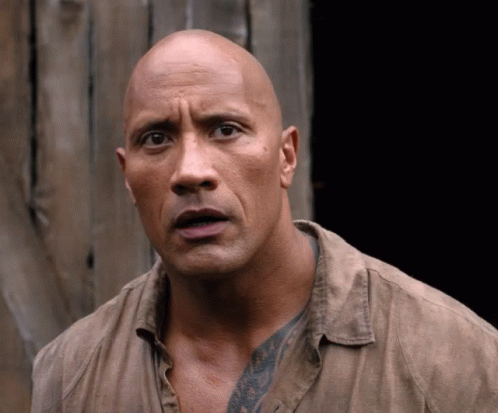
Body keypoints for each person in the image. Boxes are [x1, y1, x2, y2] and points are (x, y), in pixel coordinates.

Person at [31, 30, 497, 413]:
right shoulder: (70, 376)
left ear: (286, 157)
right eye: (156, 138)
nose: (190, 171)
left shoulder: (452, 360)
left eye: (225, 129)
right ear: (127, 177)